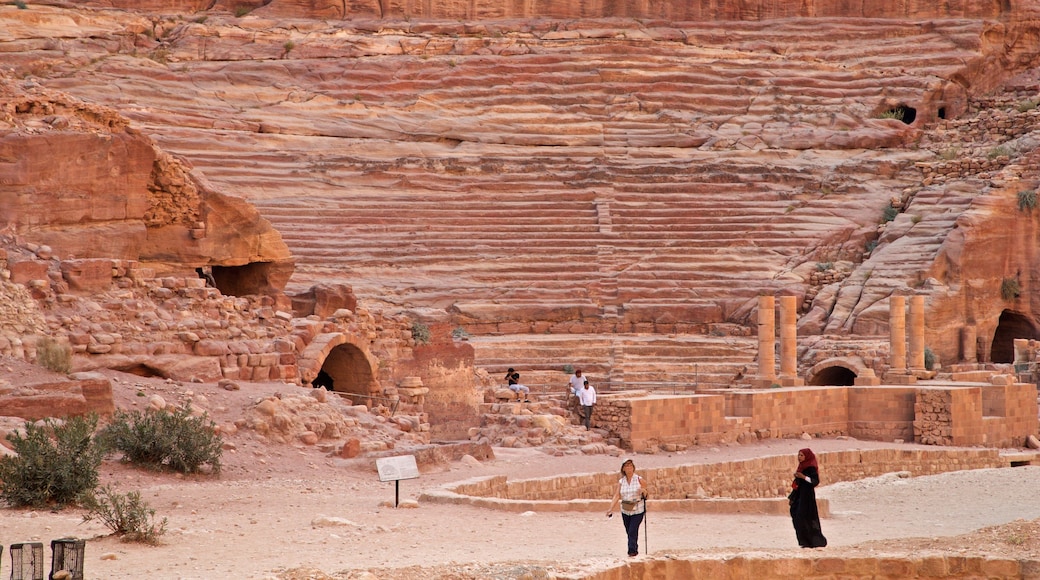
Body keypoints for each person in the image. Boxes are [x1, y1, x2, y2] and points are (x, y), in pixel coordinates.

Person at [606, 459, 648, 557]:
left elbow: (646, 493)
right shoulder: (621, 482)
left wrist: (643, 491)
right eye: (626, 466)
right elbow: (617, 495)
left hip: (638, 510)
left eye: (630, 466)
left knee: (632, 530)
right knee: (629, 532)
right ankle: (634, 549)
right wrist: (610, 508)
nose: (629, 468)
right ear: (623, 469)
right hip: (625, 510)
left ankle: (631, 552)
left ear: (633, 467)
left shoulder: (639, 479)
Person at [789, 448, 828, 548]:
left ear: (807, 456)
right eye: (799, 455)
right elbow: (797, 485)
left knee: (807, 518)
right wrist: (792, 497)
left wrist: (803, 477)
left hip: (807, 498)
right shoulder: (801, 467)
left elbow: (815, 481)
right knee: (797, 517)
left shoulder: (810, 468)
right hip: (799, 496)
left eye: (802, 455)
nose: (799, 457)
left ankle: (815, 541)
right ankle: (804, 541)